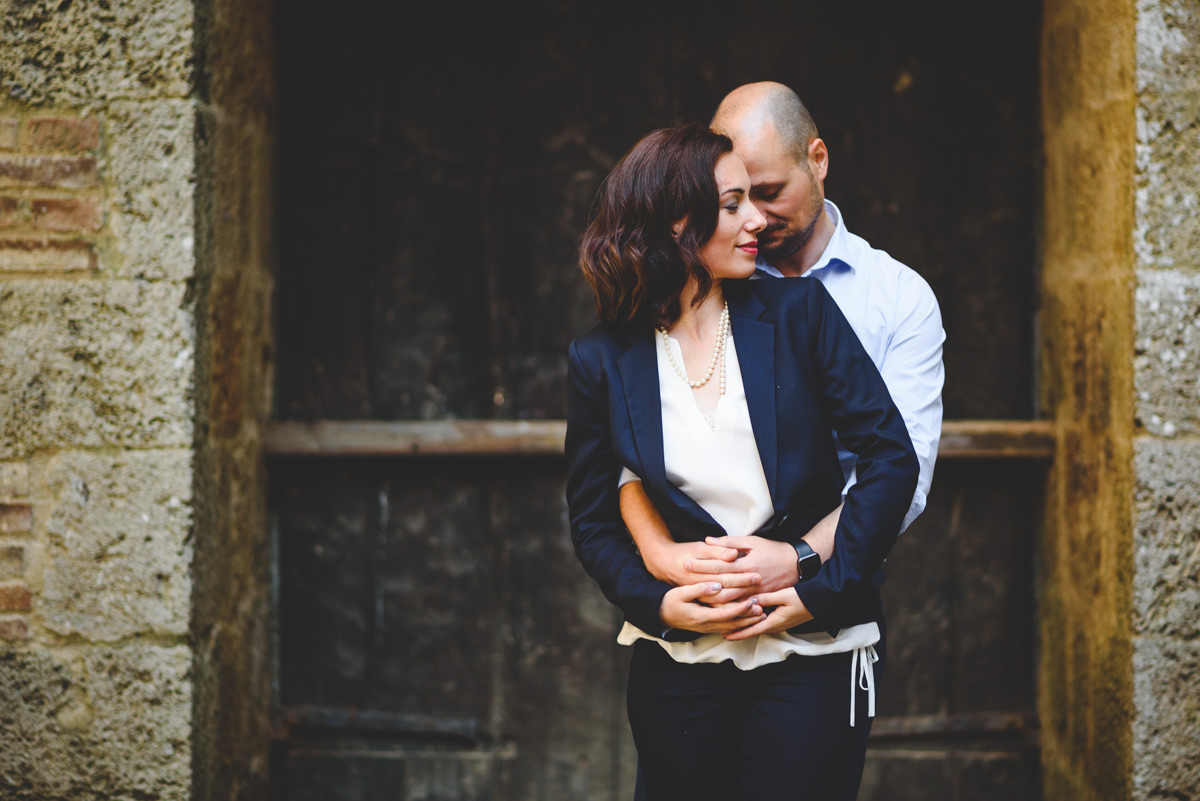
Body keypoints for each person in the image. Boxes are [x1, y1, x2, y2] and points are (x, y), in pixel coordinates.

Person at [565, 123, 919, 800]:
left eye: (753, 200)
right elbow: (591, 520)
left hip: (810, 650)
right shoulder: (602, 358)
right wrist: (664, 602)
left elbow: (890, 458)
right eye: (732, 205)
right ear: (674, 224)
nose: (756, 219)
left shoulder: (799, 313)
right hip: (679, 660)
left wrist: (814, 586)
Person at [620, 82, 945, 633]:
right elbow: (627, 445)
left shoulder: (898, 298)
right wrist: (662, 559)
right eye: (731, 198)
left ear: (817, 161)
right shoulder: (699, 283)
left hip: (832, 580)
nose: (755, 217)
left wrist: (804, 563)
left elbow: (901, 470)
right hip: (701, 595)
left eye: (767, 191)